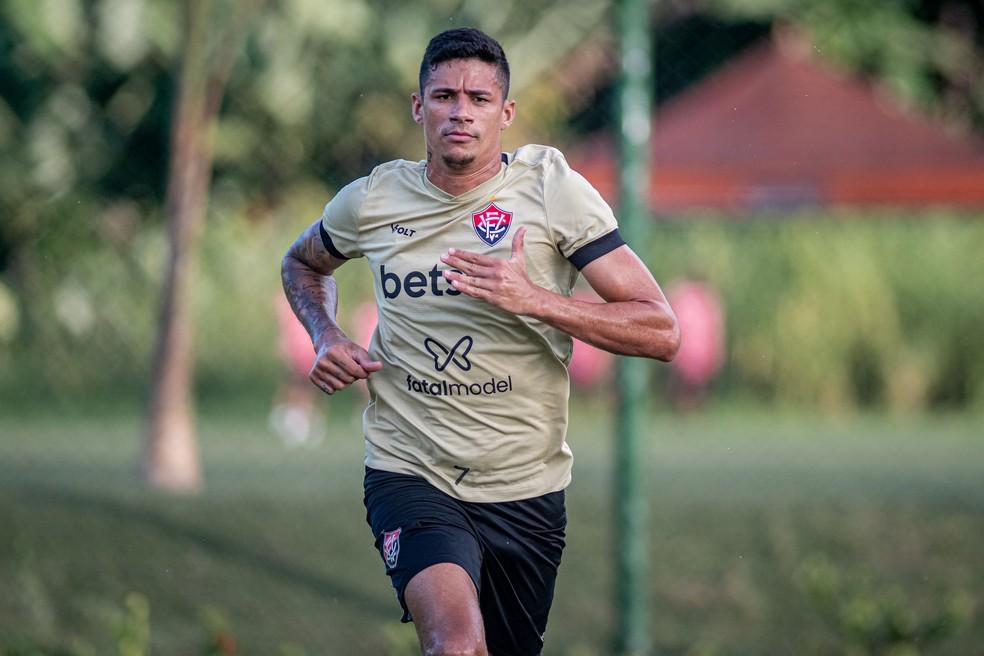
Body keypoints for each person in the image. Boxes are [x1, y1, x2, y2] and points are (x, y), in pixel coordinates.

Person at [281, 28, 680, 656]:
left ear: (506, 112)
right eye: (443, 96)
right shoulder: (375, 199)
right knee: (457, 646)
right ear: (419, 108)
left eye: (478, 98)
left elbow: (661, 329)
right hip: (410, 470)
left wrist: (534, 299)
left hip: (526, 485)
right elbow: (302, 264)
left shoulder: (552, 192)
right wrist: (324, 332)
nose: (460, 111)